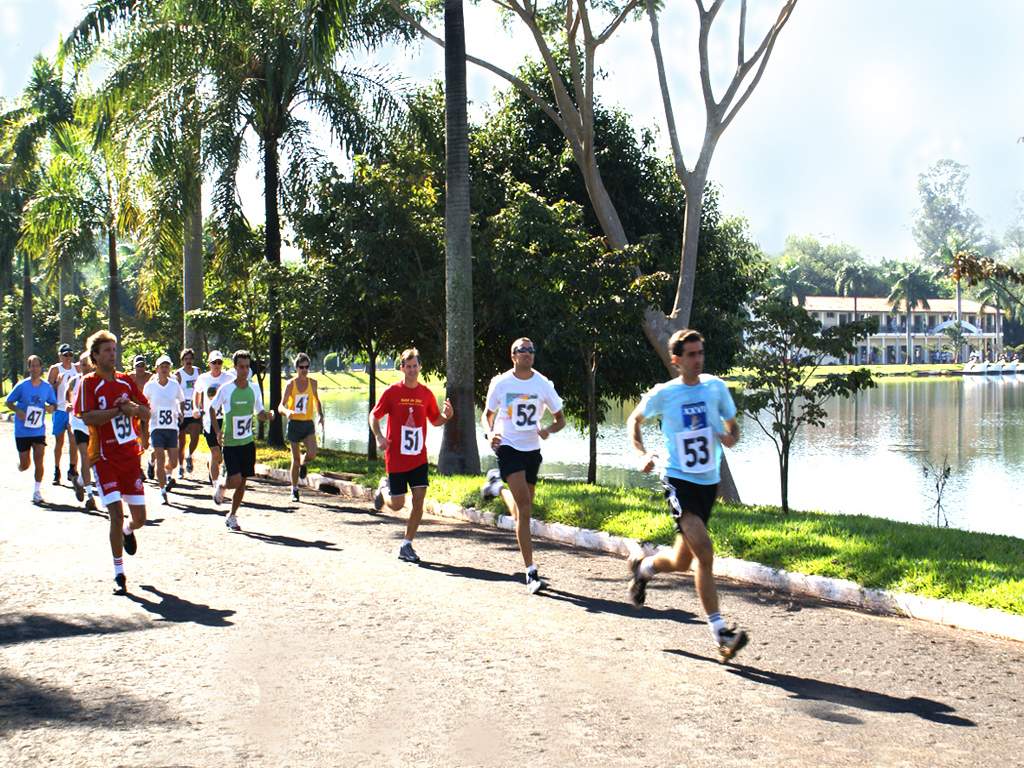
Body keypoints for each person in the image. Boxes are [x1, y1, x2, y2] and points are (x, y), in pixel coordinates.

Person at [625, 328, 748, 661]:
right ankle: (721, 633)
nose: (698, 360)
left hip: (708, 484)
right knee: (705, 554)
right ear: (676, 360)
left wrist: (730, 436)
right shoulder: (665, 394)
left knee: (683, 561)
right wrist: (642, 454)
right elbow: (634, 421)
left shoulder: (715, 387)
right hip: (678, 480)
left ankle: (644, 568)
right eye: (691, 355)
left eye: (701, 353)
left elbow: (733, 427)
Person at [480, 337, 566, 594]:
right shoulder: (501, 383)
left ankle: (497, 487)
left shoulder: (543, 384)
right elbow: (487, 415)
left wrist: (549, 429)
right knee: (526, 508)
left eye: (531, 350)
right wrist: (489, 433)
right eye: (522, 350)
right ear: (513, 355)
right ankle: (531, 572)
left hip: (532, 451)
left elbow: (560, 418)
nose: (527, 353)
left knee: (521, 514)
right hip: (508, 447)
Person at [76, 330, 151, 595]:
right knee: (116, 514)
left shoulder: (126, 381)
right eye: (106, 350)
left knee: (139, 518)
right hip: (104, 457)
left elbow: (146, 411)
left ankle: (129, 531)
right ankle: (119, 573)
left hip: (130, 457)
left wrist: (133, 408)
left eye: (114, 350)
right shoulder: (88, 383)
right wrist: (117, 411)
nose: (112, 354)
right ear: (95, 356)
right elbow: (87, 417)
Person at [369, 348, 453, 563]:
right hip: (396, 458)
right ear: (402, 368)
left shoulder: (426, 394)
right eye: (408, 366)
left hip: (418, 458)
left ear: (420, 367)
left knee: (418, 501)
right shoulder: (392, 392)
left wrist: (447, 416)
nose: (412, 370)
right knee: (397, 505)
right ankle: (383, 487)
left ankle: (407, 544)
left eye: (415, 366)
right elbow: (374, 415)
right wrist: (379, 436)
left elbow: (435, 420)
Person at [209, 350, 273, 531]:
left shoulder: (254, 388)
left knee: (243, 481)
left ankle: (232, 516)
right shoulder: (227, 389)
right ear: (235, 368)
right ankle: (221, 484)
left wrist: (268, 415)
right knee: (235, 480)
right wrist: (217, 431)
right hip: (230, 443)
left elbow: (259, 413)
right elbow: (212, 409)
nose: (244, 370)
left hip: (247, 443)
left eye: (247, 367)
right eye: (241, 367)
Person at [5, 355, 58, 504]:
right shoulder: (22, 386)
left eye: (37, 366)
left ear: (41, 368)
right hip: (22, 430)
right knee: (25, 465)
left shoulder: (46, 387)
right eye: (32, 366)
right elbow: (9, 402)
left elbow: (54, 404)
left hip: (38, 430)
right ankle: (21, 465)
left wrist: (50, 408)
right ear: (29, 368)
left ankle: (37, 491)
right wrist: (17, 410)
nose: (35, 369)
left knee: (39, 458)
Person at [279, 352, 325, 502]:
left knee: (312, 454)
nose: (304, 370)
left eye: (307, 367)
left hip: (307, 423)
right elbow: (280, 406)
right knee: (295, 459)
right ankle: (294, 489)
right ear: (296, 368)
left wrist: (320, 415)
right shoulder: (290, 384)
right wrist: (287, 412)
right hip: (294, 425)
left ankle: (304, 464)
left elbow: (317, 401)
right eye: (301, 367)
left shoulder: (313, 383)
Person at [143, 355, 187, 504]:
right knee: (160, 458)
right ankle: (162, 491)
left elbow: (181, 400)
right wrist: (145, 413)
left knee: (173, 462)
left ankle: (167, 472)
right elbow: (143, 401)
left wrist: (180, 412)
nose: (164, 369)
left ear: (170, 369)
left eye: (167, 366)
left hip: (172, 427)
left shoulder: (174, 385)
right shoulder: (150, 386)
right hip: (156, 427)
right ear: (156, 369)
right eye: (161, 366)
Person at [193, 350, 235, 486]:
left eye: (219, 362)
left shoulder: (228, 378)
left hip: (225, 419)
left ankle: (212, 464)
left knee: (220, 456)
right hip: (209, 420)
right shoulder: (203, 378)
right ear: (209, 364)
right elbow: (197, 393)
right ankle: (216, 485)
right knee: (215, 452)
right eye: (214, 362)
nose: (217, 365)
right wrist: (195, 407)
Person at [68, 351, 100, 511]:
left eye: (87, 364)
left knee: (94, 459)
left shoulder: (98, 381)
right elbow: (69, 398)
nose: (84, 367)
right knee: (85, 456)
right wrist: (68, 405)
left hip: (93, 424)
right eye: (82, 364)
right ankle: (90, 497)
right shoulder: (74, 382)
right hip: (78, 423)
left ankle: (79, 481)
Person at [46, 343, 79, 485]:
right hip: (59, 410)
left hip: (72, 411)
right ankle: (56, 469)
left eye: (70, 355)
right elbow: (47, 390)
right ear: (60, 355)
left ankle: (72, 470)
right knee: (59, 442)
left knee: (74, 441)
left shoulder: (76, 368)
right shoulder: (55, 369)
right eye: (65, 355)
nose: (68, 357)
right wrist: (56, 384)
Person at [174, 348, 202, 478]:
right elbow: (174, 392)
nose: (188, 361)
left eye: (190, 359)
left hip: (195, 410)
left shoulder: (198, 372)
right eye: (186, 359)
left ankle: (189, 456)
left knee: (195, 436)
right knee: (181, 442)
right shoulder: (178, 374)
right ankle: (180, 468)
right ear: (182, 361)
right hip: (182, 411)